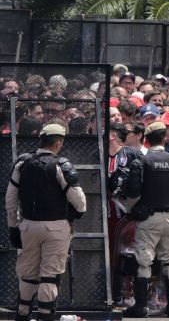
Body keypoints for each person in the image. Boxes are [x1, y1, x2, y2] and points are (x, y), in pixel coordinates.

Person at [6, 124, 86, 321]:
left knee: (28, 274)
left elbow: (10, 199)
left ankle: (22, 315)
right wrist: (75, 214)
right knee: (50, 275)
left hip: (28, 226)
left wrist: (13, 226)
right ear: (58, 143)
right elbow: (80, 202)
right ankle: (45, 316)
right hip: (56, 226)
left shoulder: (22, 163)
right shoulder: (60, 165)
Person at [122, 122, 169, 318]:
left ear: (146, 139)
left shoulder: (141, 162)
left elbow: (133, 193)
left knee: (144, 262)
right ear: (164, 138)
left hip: (148, 218)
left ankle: (141, 306)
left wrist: (131, 209)